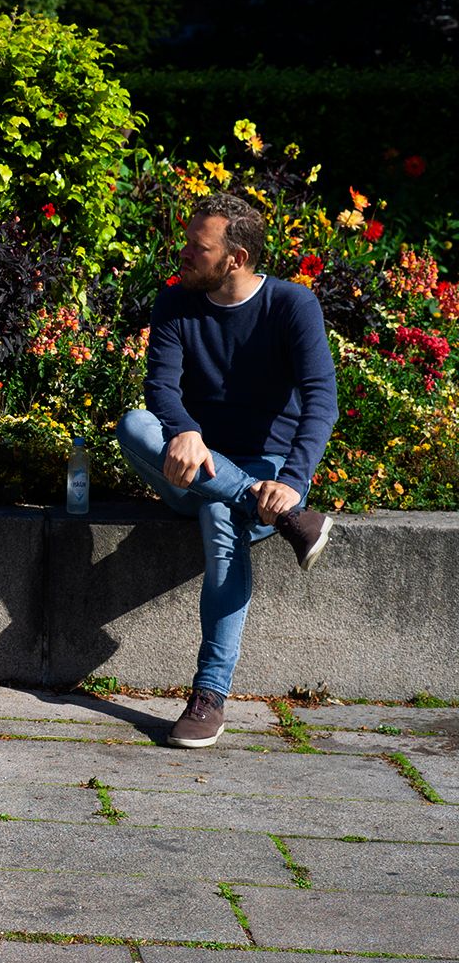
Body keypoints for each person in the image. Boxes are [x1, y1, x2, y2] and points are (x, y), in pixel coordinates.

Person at [117, 191, 336, 748]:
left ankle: (209, 694)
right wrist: (185, 429)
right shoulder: (175, 301)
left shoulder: (291, 305)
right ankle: (295, 524)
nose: (184, 253)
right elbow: (161, 389)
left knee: (221, 513)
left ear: (235, 258)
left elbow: (321, 400)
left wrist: (289, 482)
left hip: (271, 471)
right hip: (192, 462)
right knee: (135, 424)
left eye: (198, 246)